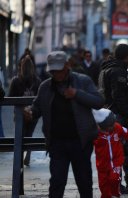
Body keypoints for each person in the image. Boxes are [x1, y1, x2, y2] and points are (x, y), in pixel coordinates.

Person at [24, 51, 104, 197]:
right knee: (57, 182)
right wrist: (30, 112)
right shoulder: (45, 86)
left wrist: (77, 94)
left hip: (81, 142)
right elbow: (37, 107)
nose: (57, 74)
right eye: (53, 71)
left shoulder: (82, 81)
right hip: (57, 143)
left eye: (59, 70)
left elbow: (99, 102)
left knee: (84, 182)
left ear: (67, 66)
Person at [98, 44, 128, 194]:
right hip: (118, 116)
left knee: (119, 151)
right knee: (121, 151)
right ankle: (121, 184)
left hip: (107, 114)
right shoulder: (118, 71)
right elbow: (119, 97)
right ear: (126, 55)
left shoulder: (105, 69)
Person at [92, 108, 128, 198]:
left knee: (114, 179)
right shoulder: (96, 134)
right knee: (103, 183)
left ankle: (115, 194)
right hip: (102, 163)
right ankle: (106, 195)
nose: (112, 126)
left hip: (116, 161)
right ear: (101, 127)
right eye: (110, 126)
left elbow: (127, 132)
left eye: (113, 123)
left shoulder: (117, 128)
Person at [8, 56, 41, 166]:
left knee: (20, 135)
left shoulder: (16, 81)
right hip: (33, 113)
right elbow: (39, 99)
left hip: (19, 112)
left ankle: (20, 155)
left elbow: (9, 98)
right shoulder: (37, 81)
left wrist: (22, 109)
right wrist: (31, 110)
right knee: (29, 134)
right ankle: (28, 155)